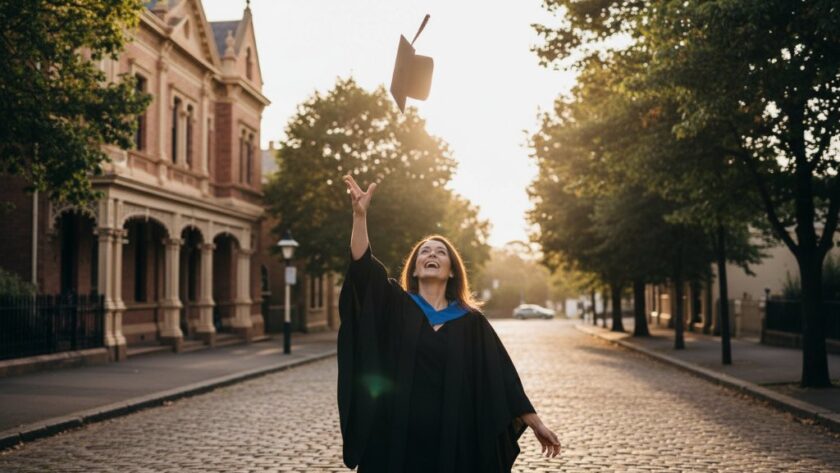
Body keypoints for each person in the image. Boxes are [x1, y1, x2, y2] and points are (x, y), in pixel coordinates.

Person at [337, 175, 561, 473]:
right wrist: (359, 216)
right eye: (424, 252)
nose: (431, 254)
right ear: (414, 268)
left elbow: (501, 377)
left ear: (452, 270)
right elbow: (363, 268)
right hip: (397, 437)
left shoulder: (471, 322)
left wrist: (534, 421)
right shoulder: (397, 304)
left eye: (440, 252)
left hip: (455, 442)